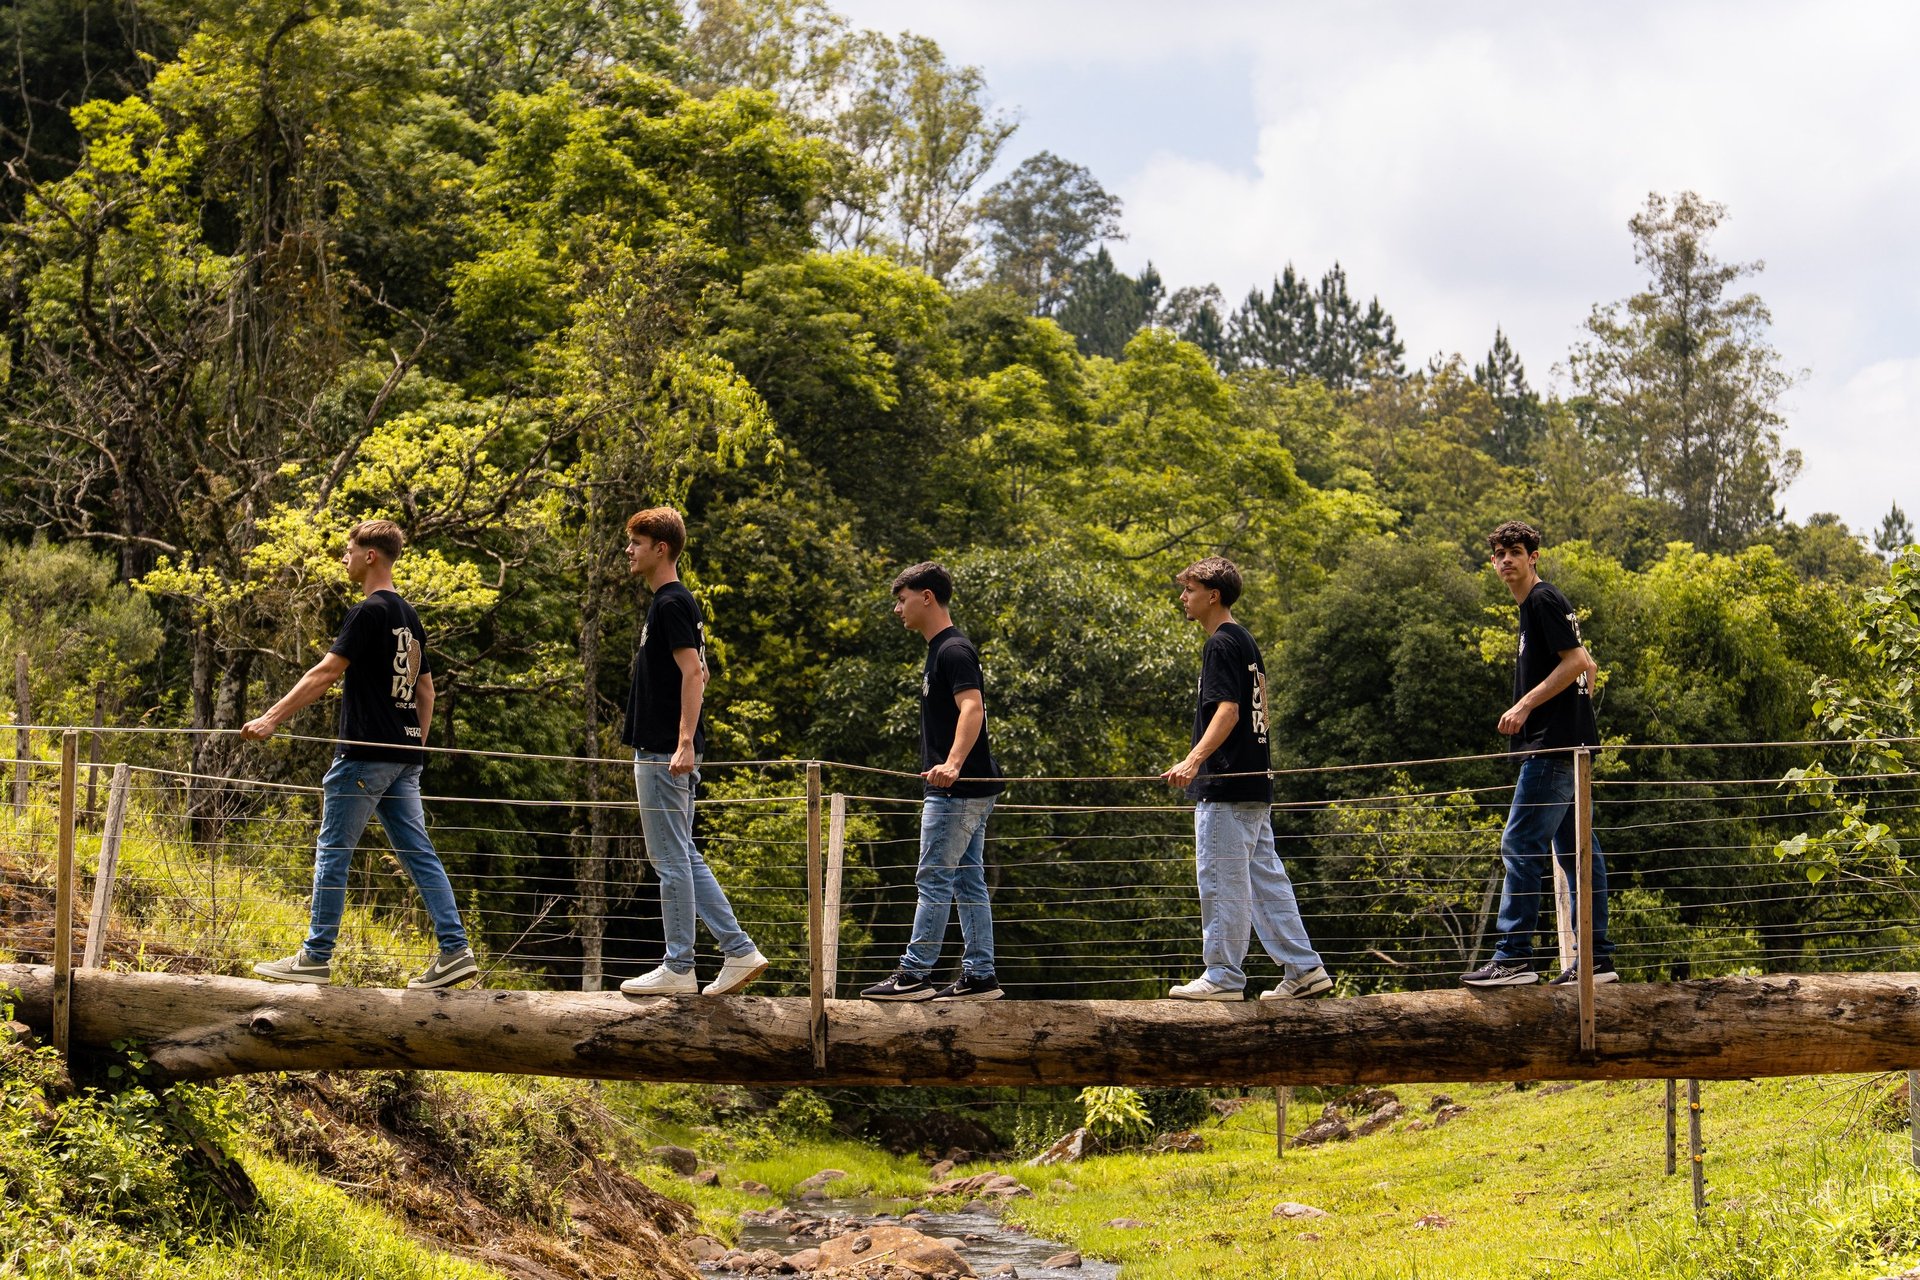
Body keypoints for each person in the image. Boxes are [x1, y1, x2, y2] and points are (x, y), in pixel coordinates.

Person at [246, 520, 477, 990]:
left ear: (371, 555)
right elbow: (427, 690)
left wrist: (271, 718)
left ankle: (315, 956)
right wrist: (415, 747)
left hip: (364, 754)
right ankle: (455, 950)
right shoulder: (409, 617)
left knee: (333, 852)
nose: (344, 558)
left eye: (350, 550)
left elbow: (326, 672)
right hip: (402, 756)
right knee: (419, 853)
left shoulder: (367, 612)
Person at [1161, 556, 1331, 1002]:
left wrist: (1193, 760)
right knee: (1264, 880)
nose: (1184, 597)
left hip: (1226, 785)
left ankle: (1222, 976)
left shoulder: (1220, 643)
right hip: (1255, 785)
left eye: (1190, 590)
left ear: (1212, 595)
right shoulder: (1245, 641)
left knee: (1221, 881)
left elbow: (1229, 711)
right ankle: (1304, 969)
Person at [617, 507, 767, 997]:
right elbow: (701, 672)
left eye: (636, 543)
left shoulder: (671, 603)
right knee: (682, 854)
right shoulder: (670, 603)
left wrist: (683, 742)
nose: (629, 551)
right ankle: (739, 950)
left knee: (669, 859)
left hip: (665, 751)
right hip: (665, 749)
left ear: (661, 548)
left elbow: (692, 675)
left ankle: (679, 966)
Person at [1461, 520, 1616, 987]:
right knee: (1579, 853)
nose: (1507, 559)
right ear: (1493, 562)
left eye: (1516, 551)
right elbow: (1581, 661)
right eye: (1500, 554)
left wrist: (1524, 705)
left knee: (1520, 843)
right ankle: (1597, 960)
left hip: (1553, 746)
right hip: (1568, 746)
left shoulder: (1543, 599)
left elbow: (1578, 661)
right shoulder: (1534, 606)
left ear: (1534, 558)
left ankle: (1514, 957)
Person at [861, 562, 1007, 1002]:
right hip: (970, 789)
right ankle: (980, 975)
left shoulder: (953, 650)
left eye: (902, 599)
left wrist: (953, 764)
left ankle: (915, 974)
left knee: (933, 878)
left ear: (927, 597)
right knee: (967, 881)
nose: (897, 609)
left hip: (956, 791)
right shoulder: (940, 650)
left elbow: (973, 709)